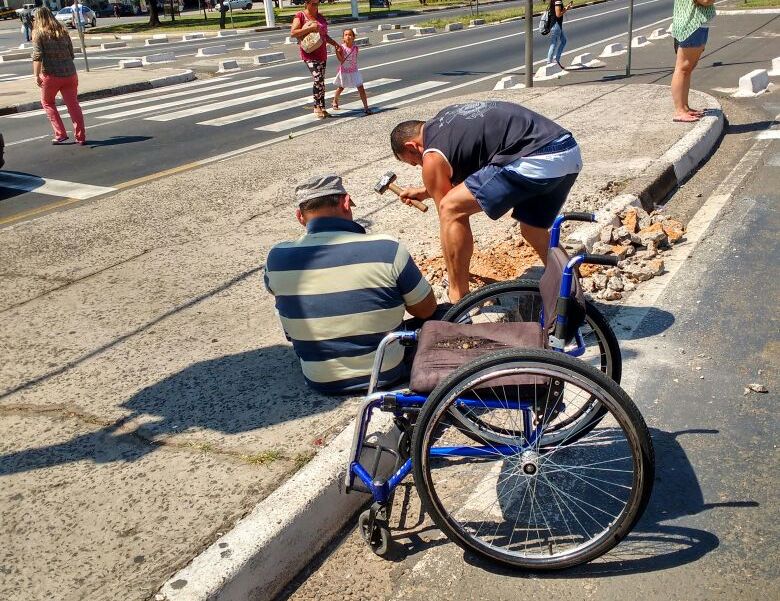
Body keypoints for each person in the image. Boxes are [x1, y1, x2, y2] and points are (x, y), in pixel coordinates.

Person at [264, 174, 440, 394]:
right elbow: (426, 310)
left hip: (320, 381)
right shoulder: (387, 248)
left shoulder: (276, 257)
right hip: (386, 374)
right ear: (346, 203)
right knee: (443, 313)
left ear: (300, 217)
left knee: (284, 297)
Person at [390, 101, 582, 302]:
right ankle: (571, 295)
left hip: (534, 159)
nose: (419, 165)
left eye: (414, 162)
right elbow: (474, 175)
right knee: (532, 229)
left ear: (412, 146)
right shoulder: (448, 121)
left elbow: (448, 212)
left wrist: (454, 265)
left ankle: (458, 298)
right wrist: (425, 191)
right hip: (566, 150)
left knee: (451, 210)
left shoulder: (431, 157)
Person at [32, 6, 86, 145]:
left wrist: (36, 75)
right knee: (73, 105)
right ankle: (80, 137)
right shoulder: (62, 30)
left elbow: (37, 56)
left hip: (51, 74)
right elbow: (71, 53)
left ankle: (60, 134)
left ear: (38, 18)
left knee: (48, 102)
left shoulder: (39, 33)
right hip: (70, 73)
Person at [290, 0, 340, 120]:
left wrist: (334, 43)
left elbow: (324, 35)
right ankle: (316, 106)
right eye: (313, 4)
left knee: (321, 81)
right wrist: (310, 28)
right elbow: (293, 33)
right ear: (306, 4)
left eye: (317, 4)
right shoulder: (300, 16)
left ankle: (322, 107)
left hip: (321, 52)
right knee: (318, 78)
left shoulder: (320, 17)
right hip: (309, 53)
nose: (315, 6)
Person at [671, 0, 714, 122]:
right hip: (692, 25)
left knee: (688, 68)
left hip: (696, 24)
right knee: (683, 68)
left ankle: (684, 108)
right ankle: (680, 110)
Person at [332, 28, 371, 115]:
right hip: (345, 71)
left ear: (353, 37)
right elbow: (341, 60)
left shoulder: (355, 48)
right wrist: (337, 52)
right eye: (346, 35)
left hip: (354, 71)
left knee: (361, 88)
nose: (348, 37)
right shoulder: (341, 48)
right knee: (341, 87)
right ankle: (335, 100)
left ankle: (366, 107)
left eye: (350, 35)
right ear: (343, 38)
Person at [547, 0, 573, 68]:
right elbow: (558, 14)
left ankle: (556, 60)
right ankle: (549, 63)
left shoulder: (555, 1)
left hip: (556, 25)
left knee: (563, 41)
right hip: (556, 25)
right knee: (553, 44)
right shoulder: (558, 1)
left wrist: (566, 8)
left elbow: (558, 12)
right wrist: (566, 9)